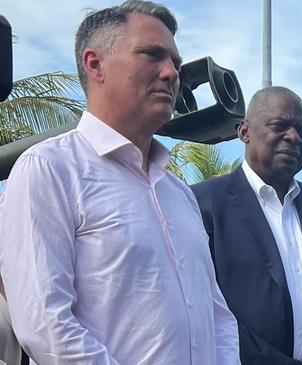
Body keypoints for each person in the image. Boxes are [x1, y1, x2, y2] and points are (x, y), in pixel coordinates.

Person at [0, 1, 240, 363]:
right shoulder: (49, 169)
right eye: (152, 55)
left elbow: (216, 314)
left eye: (174, 62)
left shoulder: (179, 194)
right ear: (95, 64)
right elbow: (45, 325)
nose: (172, 73)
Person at [191, 86, 302, 364]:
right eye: (280, 125)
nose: (293, 137)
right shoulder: (202, 205)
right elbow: (202, 309)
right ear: (244, 131)